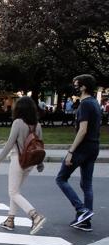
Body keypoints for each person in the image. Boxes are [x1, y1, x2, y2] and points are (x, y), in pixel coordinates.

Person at [0, 96, 46, 235]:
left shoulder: (18, 123)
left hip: (18, 160)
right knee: (16, 191)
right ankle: (10, 220)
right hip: (31, 162)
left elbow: (9, 144)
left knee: (13, 192)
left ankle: (35, 216)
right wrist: (40, 163)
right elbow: (39, 145)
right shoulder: (37, 125)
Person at [55, 74, 102, 232]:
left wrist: (70, 151)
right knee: (86, 184)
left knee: (61, 178)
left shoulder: (85, 104)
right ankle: (85, 221)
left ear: (83, 87)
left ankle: (81, 209)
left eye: (76, 84)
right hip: (94, 146)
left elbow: (82, 130)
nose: (74, 87)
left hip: (82, 148)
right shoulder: (95, 103)